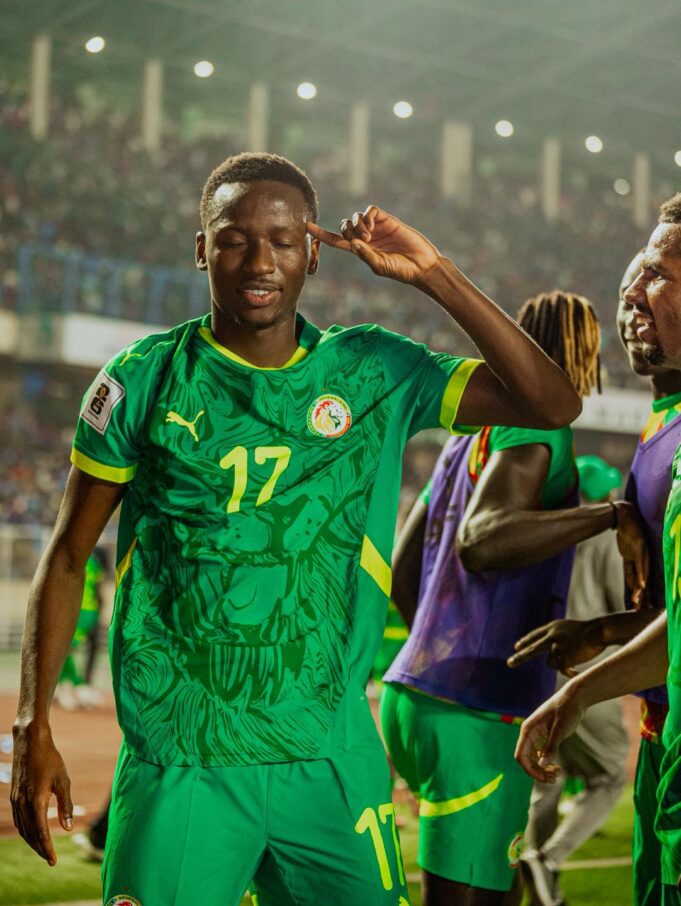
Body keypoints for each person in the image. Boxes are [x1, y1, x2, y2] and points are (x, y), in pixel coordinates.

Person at [10, 152, 581, 906]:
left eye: (282, 241)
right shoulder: (141, 378)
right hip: (183, 758)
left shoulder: (373, 369)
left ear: (312, 253)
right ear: (202, 249)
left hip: (330, 760)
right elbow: (66, 557)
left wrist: (434, 273)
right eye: (234, 239)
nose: (259, 262)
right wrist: (31, 724)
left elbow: (550, 405)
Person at [380, 290, 636, 906]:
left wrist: (441, 655)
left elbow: (403, 571)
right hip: (480, 708)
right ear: (577, 352)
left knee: (498, 883)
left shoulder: (465, 437)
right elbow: (483, 540)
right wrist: (609, 515)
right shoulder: (542, 425)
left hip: (414, 696)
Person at [514, 193, 681, 905]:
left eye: (658, 275)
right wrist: (603, 633)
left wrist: (580, 690)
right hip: (661, 729)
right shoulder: (662, 423)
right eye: (634, 271)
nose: (631, 292)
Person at [520, 455, 629, 906]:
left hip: (539, 668)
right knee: (609, 776)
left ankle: (536, 875)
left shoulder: (543, 529)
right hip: (587, 672)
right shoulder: (606, 537)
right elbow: (619, 609)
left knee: (547, 775)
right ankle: (548, 859)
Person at [53, 549, 106, 710]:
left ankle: (74, 686)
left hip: (80, 612)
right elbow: (99, 591)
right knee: (63, 649)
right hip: (88, 612)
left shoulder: (70, 558)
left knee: (64, 649)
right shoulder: (94, 563)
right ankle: (70, 685)